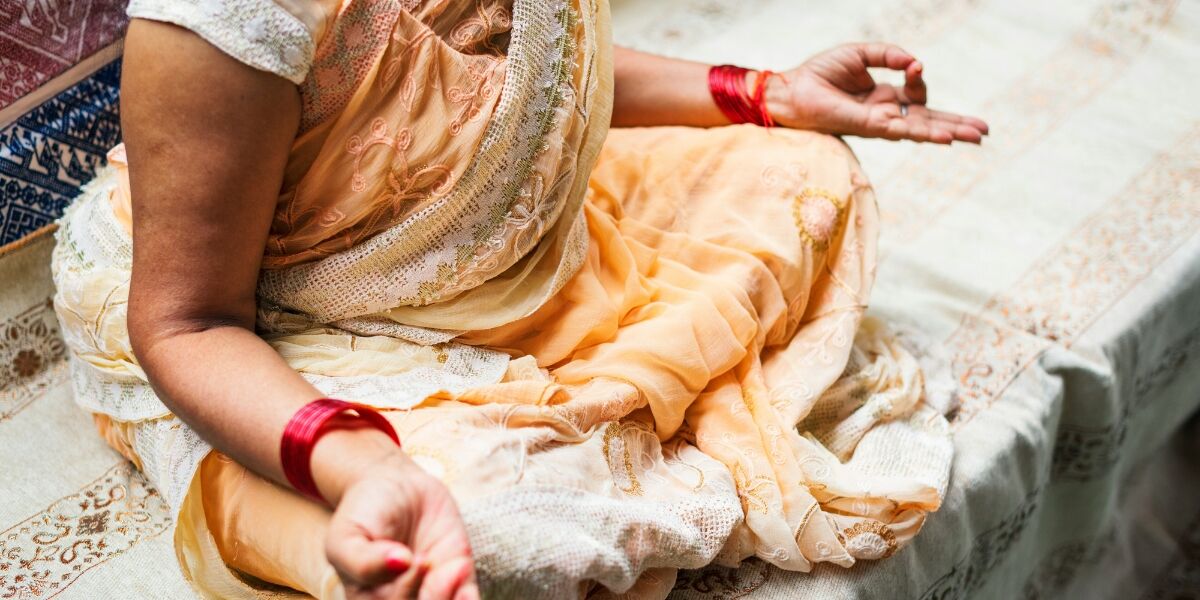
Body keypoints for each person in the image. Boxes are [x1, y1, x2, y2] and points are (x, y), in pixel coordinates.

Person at [51, 0, 988, 598]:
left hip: (512, 260)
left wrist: (761, 91)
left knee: (804, 174)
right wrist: (356, 467)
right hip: (279, 314)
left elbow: (515, 83)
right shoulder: (225, 18)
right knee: (494, 530)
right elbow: (187, 321)